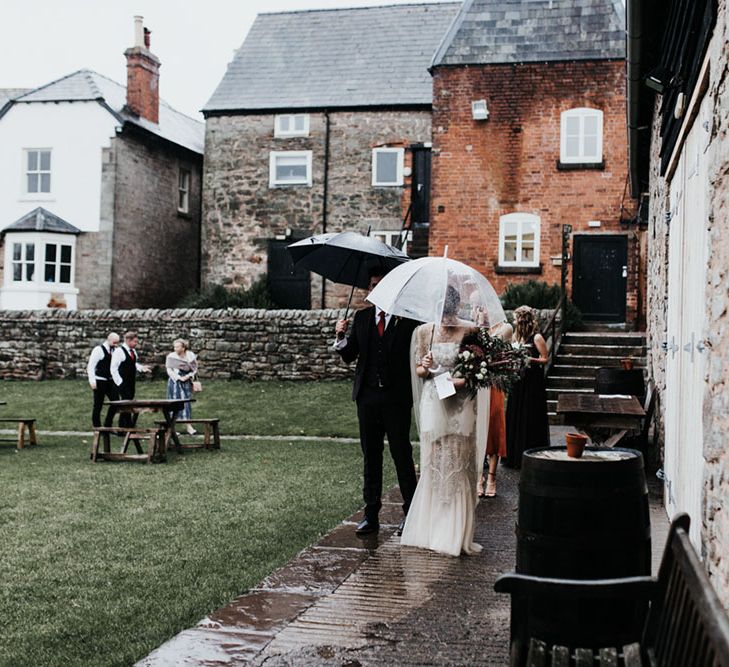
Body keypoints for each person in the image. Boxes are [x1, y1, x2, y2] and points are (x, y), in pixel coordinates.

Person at [401, 286, 489, 557]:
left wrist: (460, 380)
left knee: (457, 464)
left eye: (449, 313)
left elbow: (481, 372)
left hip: (460, 404)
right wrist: (425, 366)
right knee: (434, 463)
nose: (446, 320)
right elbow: (418, 370)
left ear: (455, 307)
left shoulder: (470, 331)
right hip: (433, 402)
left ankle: (454, 533)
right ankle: (429, 530)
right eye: (442, 314)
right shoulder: (424, 332)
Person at [334, 268, 419, 537]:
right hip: (367, 398)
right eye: (373, 285)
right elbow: (349, 355)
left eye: (382, 284)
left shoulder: (408, 322)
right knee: (371, 457)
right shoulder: (362, 318)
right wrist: (340, 336)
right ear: (369, 290)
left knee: (401, 455)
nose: (376, 288)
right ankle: (371, 515)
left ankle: (411, 514)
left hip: (396, 399)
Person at [504, 306, 550, 468]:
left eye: (516, 319)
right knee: (516, 413)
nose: (514, 322)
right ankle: (514, 454)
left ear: (523, 320)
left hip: (532, 381)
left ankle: (532, 453)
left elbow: (545, 358)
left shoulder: (536, 337)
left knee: (530, 414)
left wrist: (530, 359)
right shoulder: (515, 337)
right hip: (518, 380)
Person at [478, 320, 513, 498]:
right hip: (477, 384)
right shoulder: (475, 326)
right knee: (477, 430)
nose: (478, 310)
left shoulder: (504, 328)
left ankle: (491, 477)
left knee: (494, 427)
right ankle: (478, 477)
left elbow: (495, 353)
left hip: (494, 384)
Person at [110, 331, 151, 428]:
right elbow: (113, 368)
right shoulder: (119, 351)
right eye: (135, 342)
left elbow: (133, 363)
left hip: (131, 381)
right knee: (125, 404)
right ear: (128, 340)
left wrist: (141, 368)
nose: (136, 344)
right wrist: (119, 382)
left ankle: (125, 426)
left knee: (129, 402)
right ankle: (126, 426)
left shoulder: (133, 351)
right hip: (123, 382)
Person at [86, 332, 120, 427]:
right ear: (109, 340)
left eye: (117, 343)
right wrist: (92, 381)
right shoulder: (98, 350)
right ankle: (97, 426)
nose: (116, 345)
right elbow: (91, 366)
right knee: (98, 404)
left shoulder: (115, 351)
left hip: (110, 380)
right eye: (114, 342)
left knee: (116, 402)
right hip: (99, 380)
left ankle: (107, 424)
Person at [166, 338, 198, 435]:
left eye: (177, 347)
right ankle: (172, 428)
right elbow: (169, 370)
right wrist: (179, 378)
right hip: (175, 382)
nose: (175, 348)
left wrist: (188, 376)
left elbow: (194, 368)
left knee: (186, 402)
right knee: (174, 403)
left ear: (183, 348)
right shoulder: (171, 356)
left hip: (186, 381)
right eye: (174, 347)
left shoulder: (190, 355)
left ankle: (189, 426)